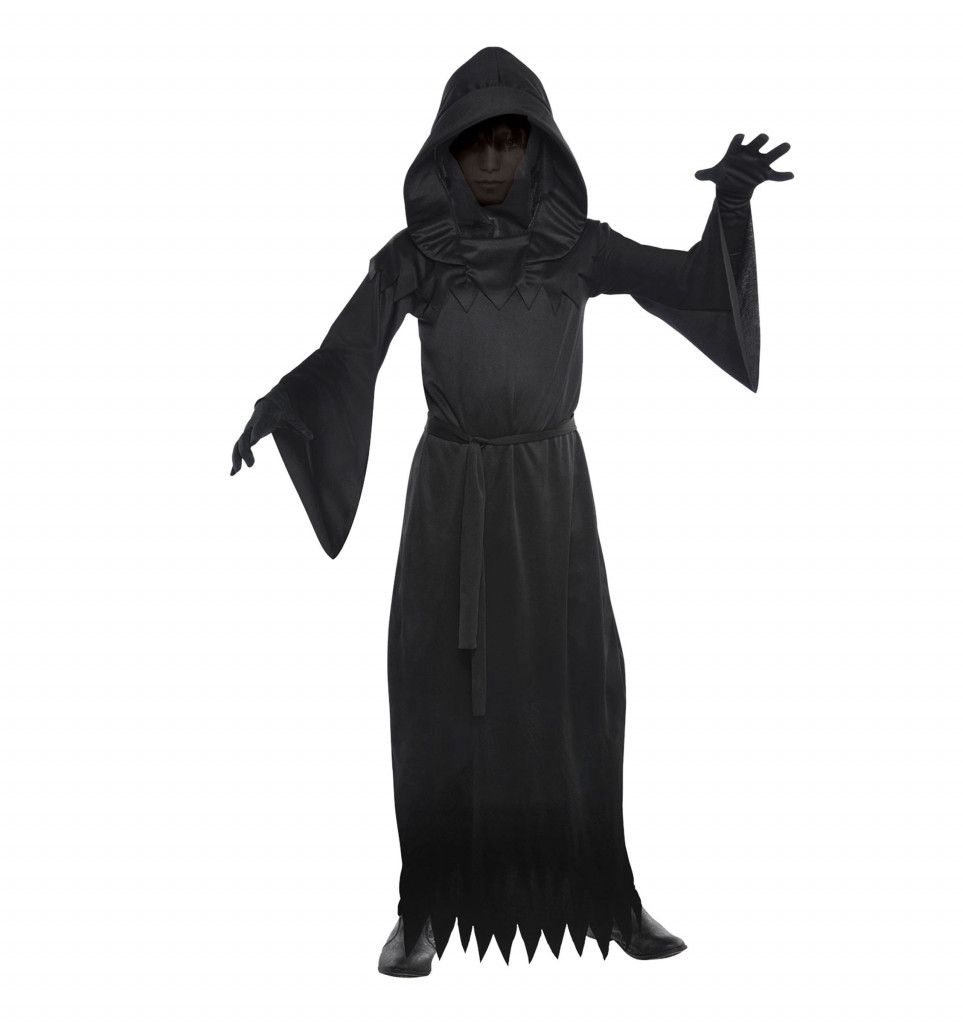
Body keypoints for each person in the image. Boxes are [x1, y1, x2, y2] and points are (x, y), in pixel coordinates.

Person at [230, 46, 793, 976]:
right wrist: (285, 406)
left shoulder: (576, 247)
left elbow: (692, 286)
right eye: (475, 144)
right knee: (436, 700)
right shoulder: (420, 255)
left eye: (508, 142)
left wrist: (730, 202)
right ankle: (424, 907)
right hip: (450, 503)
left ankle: (607, 895)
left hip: (550, 501)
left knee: (579, 690)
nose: (492, 160)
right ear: (447, 154)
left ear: (536, 150)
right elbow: (349, 352)